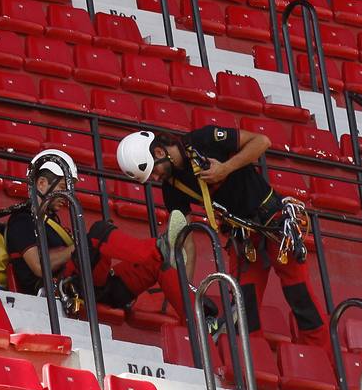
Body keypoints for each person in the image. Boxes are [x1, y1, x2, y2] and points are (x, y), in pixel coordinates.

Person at [116, 126, 326, 347]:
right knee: (244, 311)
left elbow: (262, 140)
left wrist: (225, 169)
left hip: (273, 223)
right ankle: (251, 368)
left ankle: (323, 358)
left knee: (300, 295)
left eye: (154, 172)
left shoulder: (203, 140)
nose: (156, 178)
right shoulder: (172, 188)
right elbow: (186, 238)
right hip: (243, 238)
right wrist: (184, 289)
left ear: (159, 153)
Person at [5, 148, 196, 324]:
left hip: (89, 286)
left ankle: (200, 321)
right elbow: (39, 266)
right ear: (41, 183)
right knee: (99, 232)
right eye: (63, 187)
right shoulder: (22, 220)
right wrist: (79, 246)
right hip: (59, 288)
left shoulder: (52, 222)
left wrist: (82, 246)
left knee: (157, 263)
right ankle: (160, 247)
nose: (66, 195)